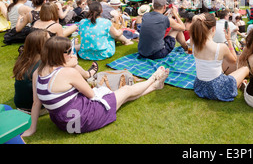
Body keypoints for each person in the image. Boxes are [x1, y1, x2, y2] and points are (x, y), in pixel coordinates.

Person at [22, 36, 169, 136]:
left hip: (64, 123)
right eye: (70, 51)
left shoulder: (38, 72)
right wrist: (74, 66)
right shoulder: (67, 73)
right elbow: (91, 94)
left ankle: (155, 86)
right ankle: (153, 78)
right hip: (84, 119)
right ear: (61, 55)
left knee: (123, 97)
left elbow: (36, 103)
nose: (73, 53)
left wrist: (32, 129)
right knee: (126, 90)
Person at [190, 13, 249, 102]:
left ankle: (240, 83)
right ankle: (242, 84)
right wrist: (229, 39)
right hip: (217, 89)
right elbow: (234, 60)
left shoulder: (194, 45)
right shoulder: (220, 47)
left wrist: (195, 18)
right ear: (213, 29)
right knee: (245, 68)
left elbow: (192, 30)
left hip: (200, 87)